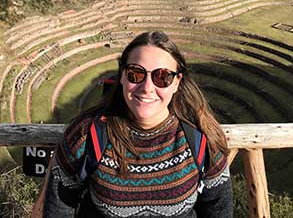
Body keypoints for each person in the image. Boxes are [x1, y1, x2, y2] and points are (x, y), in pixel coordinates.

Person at [40, 31, 233, 217]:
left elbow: (219, 210)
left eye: (162, 77)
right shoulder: (85, 133)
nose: (148, 87)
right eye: (136, 74)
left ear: (176, 82)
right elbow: (59, 206)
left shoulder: (201, 136)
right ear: (123, 75)